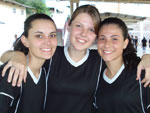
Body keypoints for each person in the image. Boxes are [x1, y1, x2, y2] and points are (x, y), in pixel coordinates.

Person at [1, 5, 150, 113]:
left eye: (91, 29)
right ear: (68, 26)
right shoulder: (51, 54)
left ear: (95, 36)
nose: (84, 34)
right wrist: (17, 55)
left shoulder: (99, 60)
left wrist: (147, 57)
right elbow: (12, 56)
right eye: (79, 26)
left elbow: (124, 59)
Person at [0, 13, 57, 113]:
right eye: (39, 36)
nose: (48, 41)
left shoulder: (45, 71)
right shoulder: (13, 73)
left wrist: (16, 54)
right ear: (25, 41)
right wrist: (16, 55)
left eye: (52, 35)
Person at [95, 17, 150, 113]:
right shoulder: (95, 77)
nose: (107, 44)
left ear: (125, 43)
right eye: (102, 38)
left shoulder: (142, 75)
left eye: (114, 39)